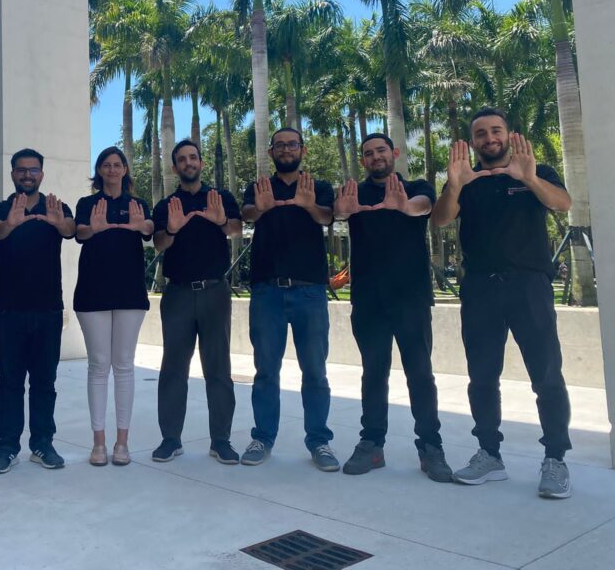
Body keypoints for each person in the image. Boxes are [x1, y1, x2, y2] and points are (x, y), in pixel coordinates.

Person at [431, 108, 574, 499]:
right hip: (480, 289)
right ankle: (489, 455)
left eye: (495, 130)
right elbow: (440, 220)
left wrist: (528, 179)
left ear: (508, 135)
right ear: (473, 141)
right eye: (480, 133)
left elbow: (563, 204)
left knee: (546, 375)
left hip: (529, 286)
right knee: (482, 377)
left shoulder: (536, 170)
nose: (488, 137)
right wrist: (455, 186)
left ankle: (556, 459)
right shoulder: (466, 179)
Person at [333, 133, 451, 482]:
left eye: (381, 150)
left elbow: (424, 207)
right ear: (363, 160)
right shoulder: (355, 193)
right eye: (368, 153)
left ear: (394, 153)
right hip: (368, 299)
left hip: (411, 297)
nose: (375, 157)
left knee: (420, 374)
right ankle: (371, 444)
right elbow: (338, 213)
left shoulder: (416, 186)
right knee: (373, 373)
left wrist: (403, 206)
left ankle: (431, 447)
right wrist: (342, 211)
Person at [240, 128, 338, 471]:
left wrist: (311, 206)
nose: (286, 150)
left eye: (292, 144)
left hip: (310, 290)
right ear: (271, 152)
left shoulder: (318, 187)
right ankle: (263, 437)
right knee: (266, 370)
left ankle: (319, 441)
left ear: (303, 149)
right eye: (280, 145)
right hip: (267, 290)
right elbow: (246, 215)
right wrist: (260, 209)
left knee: (315, 370)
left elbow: (329, 216)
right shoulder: (258, 187)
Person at [151, 139, 243, 465]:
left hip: (215, 292)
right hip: (176, 294)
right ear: (175, 167)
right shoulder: (166, 205)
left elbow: (236, 230)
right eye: (182, 159)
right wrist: (172, 230)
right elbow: (159, 243)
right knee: (174, 369)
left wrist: (220, 220)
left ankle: (221, 440)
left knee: (218, 369)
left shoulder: (221, 198)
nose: (188, 163)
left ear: (201, 163)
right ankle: (170, 439)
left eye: (193, 157)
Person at [0, 148, 75, 474]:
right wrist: (10, 224)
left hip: (48, 310)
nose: (27, 175)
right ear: (12, 174)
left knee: (44, 382)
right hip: (8, 312)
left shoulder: (57, 207)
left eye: (33, 170)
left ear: (41, 174)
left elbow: (70, 230)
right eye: (21, 170)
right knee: (9, 382)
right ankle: (7, 448)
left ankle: (42, 444)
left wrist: (58, 221)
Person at [73, 147, 153, 466]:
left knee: (123, 365)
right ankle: (98, 443)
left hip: (130, 293)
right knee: (98, 365)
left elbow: (150, 230)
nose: (112, 169)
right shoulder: (87, 204)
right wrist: (94, 229)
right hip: (92, 293)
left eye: (117, 164)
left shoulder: (138, 204)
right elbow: (79, 233)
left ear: (125, 170)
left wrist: (138, 226)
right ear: (99, 170)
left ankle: (122, 442)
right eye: (106, 165)